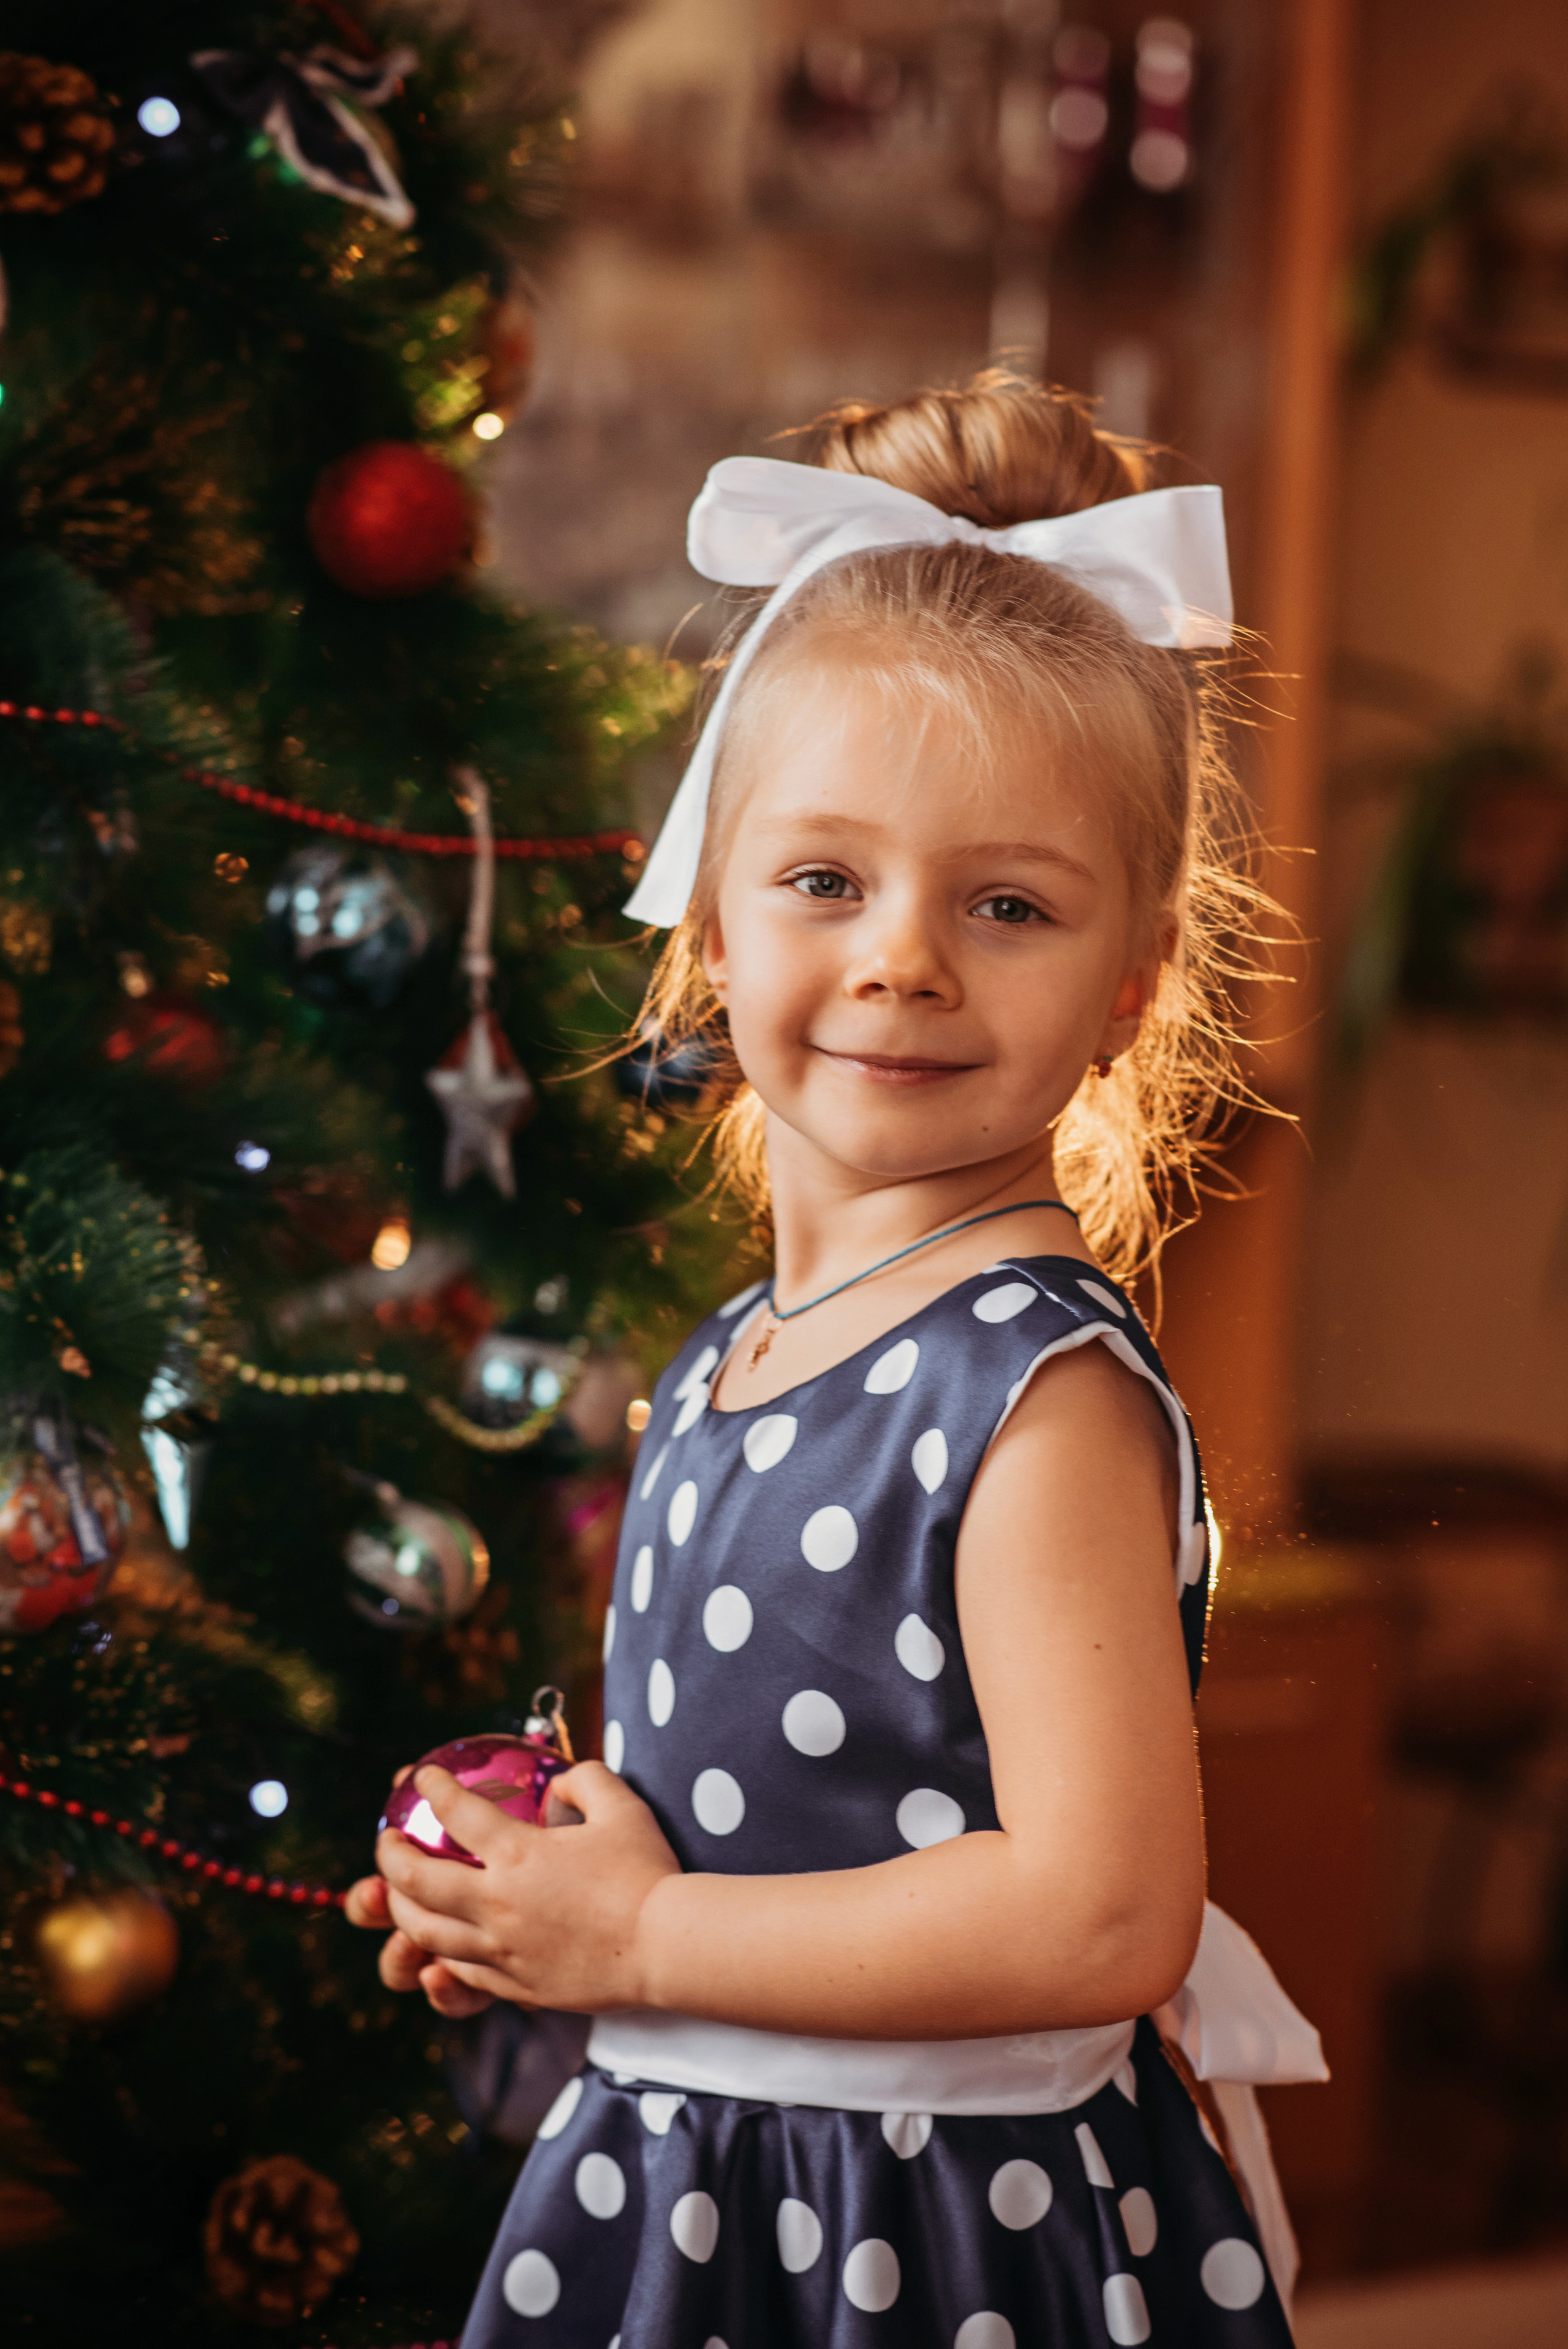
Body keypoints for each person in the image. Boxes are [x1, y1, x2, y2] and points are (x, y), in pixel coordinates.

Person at [347, 372, 1326, 2348]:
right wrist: (547, 1894)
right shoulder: (738, 1352)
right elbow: (809, 1802)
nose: (902, 957)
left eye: (1008, 903)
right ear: (713, 915)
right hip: (705, 2190)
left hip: (922, 2236)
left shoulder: (1030, 1397)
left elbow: (1100, 1912)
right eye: (824, 878)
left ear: (1134, 985)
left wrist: (640, 1931)